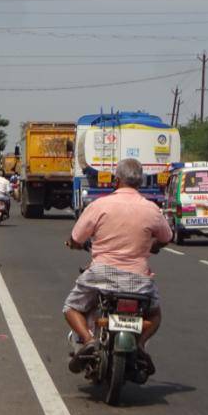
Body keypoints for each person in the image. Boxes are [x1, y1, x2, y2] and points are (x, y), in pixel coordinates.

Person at [64, 158, 172, 375]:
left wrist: (73, 244)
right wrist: (153, 246)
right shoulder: (151, 209)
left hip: (102, 275)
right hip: (138, 280)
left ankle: (87, 340)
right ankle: (140, 345)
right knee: (155, 314)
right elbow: (166, 237)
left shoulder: (100, 206)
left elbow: (76, 237)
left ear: (117, 180)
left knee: (71, 308)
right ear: (140, 181)